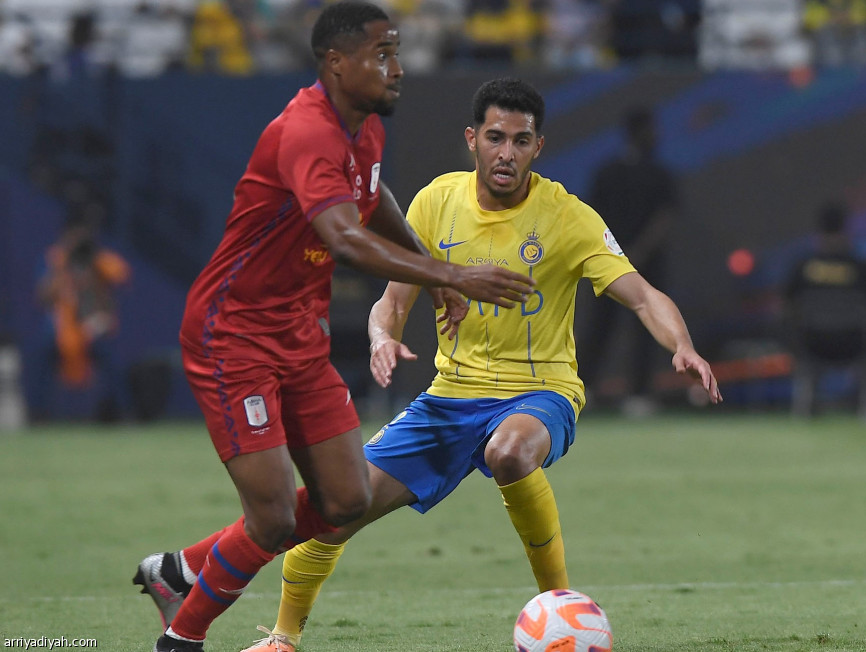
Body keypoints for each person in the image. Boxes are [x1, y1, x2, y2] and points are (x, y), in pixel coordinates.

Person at [137, 77, 722, 652]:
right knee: (337, 510)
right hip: (449, 398)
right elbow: (391, 303)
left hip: (539, 392)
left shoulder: (568, 216)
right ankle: (282, 638)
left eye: (521, 141)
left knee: (510, 452)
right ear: (472, 139)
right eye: (496, 137)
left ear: (538, 147)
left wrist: (682, 345)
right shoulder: (436, 201)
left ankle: (559, 609)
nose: (507, 152)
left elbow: (642, 295)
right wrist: (381, 338)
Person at [131, 5, 534, 652]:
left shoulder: (364, 125)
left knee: (346, 501)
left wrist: (433, 275)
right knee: (272, 518)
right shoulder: (306, 132)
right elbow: (344, 237)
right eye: (383, 55)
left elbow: (372, 199)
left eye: (397, 52)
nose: (398, 68)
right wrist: (453, 274)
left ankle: (180, 571)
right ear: (336, 64)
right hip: (234, 335)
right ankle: (182, 638)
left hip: (298, 334)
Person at [577, 106, 679, 409]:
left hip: (642, 265)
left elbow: (665, 217)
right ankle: (584, 389)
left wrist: (638, 251)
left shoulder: (659, 174)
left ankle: (639, 394)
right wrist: (619, 254)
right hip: (610, 264)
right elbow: (592, 217)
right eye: (652, 129)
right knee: (600, 326)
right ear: (639, 132)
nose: (656, 136)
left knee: (646, 328)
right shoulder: (610, 173)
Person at [781, 202, 866, 417]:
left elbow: (785, 306)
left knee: (786, 323)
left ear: (819, 230)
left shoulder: (803, 267)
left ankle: (805, 397)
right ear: (845, 229)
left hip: (813, 344)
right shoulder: (862, 268)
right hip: (855, 343)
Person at [29, 222, 131, 422]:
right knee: (41, 353)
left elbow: (121, 277)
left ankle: (122, 413)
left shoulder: (97, 260)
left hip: (91, 325)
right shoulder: (55, 260)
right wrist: (62, 269)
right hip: (62, 327)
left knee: (111, 359)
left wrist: (92, 266)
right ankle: (37, 414)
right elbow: (43, 297)